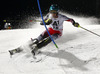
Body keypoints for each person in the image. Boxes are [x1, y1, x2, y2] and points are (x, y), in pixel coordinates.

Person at [9, 4, 80, 56]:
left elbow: (71, 20)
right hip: (50, 30)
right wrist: (45, 22)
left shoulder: (61, 17)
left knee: (50, 39)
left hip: (58, 33)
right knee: (37, 39)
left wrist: (74, 23)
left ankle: (37, 48)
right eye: (51, 11)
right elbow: (42, 22)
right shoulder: (49, 15)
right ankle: (19, 49)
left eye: (54, 12)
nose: (53, 13)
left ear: (57, 12)